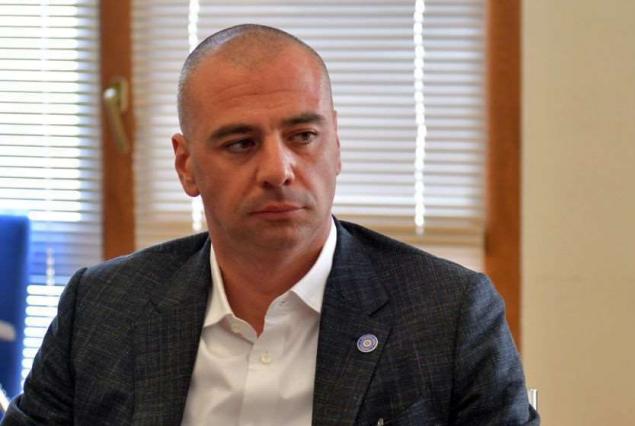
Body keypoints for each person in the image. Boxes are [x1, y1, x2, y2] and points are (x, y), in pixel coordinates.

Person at [2, 24, 539, 425]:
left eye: (303, 137)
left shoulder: (448, 313)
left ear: (336, 145)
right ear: (187, 166)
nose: (278, 170)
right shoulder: (102, 306)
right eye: (241, 144)